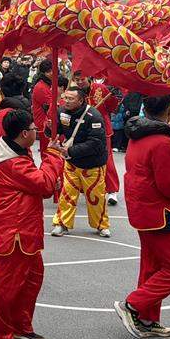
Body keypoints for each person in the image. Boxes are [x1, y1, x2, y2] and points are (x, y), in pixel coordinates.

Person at [114, 95, 170, 339]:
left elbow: (154, 170)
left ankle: (147, 318)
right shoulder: (163, 141)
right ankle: (133, 304)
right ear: (169, 110)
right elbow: (169, 185)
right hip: (161, 213)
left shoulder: (138, 134)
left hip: (144, 209)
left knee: (151, 267)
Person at [0, 109, 65, 339]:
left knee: (31, 279)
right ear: (24, 133)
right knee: (8, 284)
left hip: (23, 227)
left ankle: (19, 324)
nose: (37, 132)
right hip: (14, 230)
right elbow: (44, 184)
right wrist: (53, 158)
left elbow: (41, 187)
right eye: (34, 129)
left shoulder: (18, 153)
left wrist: (50, 168)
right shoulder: (13, 162)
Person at [50, 87, 110, 237]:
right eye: (65, 98)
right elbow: (55, 133)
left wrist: (70, 151)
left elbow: (96, 143)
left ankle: (101, 225)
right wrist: (49, 128)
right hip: (71, 163)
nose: (67, 101)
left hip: (93, 164)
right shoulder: (61, 112)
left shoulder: (94, 116)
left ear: (81, 100)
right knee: (67, 194)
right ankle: (61, 223)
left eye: (71, 99)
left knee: (96, 197)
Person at [72, 72, 121, 205]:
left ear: (89, 77)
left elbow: (112, 108)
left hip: (102, 129)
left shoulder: (100, 88)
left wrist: (114, 97)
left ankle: (112, 190)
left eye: (82, 79)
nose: (80, 82)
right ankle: (87, 187)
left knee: (107, 159)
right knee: (84, 158)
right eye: (77, 80)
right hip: (83, 130)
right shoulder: (74, 92)